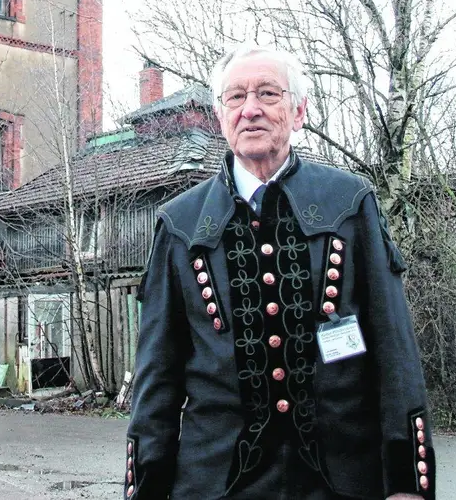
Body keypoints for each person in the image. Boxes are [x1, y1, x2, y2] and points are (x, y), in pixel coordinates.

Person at [124, 45, 436, 500]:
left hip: (344, 480)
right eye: (235, 97)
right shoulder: (180, 224)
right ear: (220, 114)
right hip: (214, 484)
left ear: (299, 110)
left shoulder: (349, 204)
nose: (250, 109)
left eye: (268, 93)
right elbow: (157, 377)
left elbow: (395, 352)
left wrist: (407, 484)